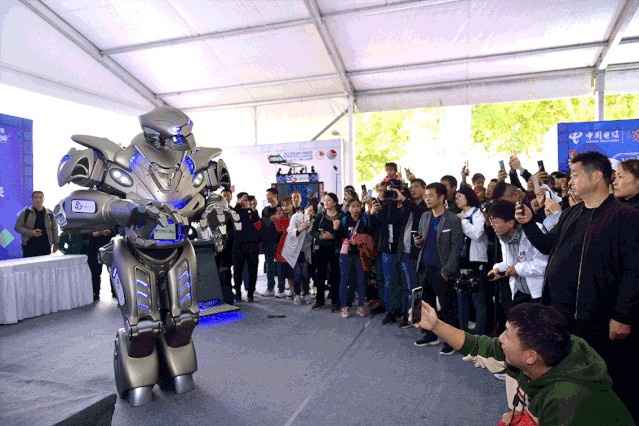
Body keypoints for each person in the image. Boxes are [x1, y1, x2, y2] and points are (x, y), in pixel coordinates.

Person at [515, 151, 639, 420]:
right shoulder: (571, 214)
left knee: (612, 382)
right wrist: (528, 223)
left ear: (596, 177)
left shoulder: (625, 217)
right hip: (563, 317)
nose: (569, 181)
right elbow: (548, 246)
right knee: (571, 383)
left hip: (601, 320)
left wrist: (622, 315)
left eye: (575, 175)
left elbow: (634, 270)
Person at [410, 302, 634, 425]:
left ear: (530, 357)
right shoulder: (550, 349)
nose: (500, 338)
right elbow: (477, 345)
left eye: (507, 334)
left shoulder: (566, 400)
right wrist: (436, 325)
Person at [413, 183, 463, 354]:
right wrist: (417, 242)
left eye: (431, 195)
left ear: (441, 197)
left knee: (448, 307)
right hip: (425, 267)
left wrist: (446, 271)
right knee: (426, 305)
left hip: (442, 270)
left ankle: (452, 341)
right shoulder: (425, 216)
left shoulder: (453, 220)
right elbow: (421, 242)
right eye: (425, 195)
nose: (427, 199)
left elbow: (456, 248)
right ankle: (430, 335)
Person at [487, 201, 547, 307]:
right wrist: (498, 269)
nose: (492, 225)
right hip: (519, 291)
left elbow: (543, 265)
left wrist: (517, 269)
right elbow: (509, 263)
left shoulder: (535, 230)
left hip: (539, 293)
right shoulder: (503, 237)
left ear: (511, 223)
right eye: (491, 221)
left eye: (495, 222)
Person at [454, 186, 489, 336]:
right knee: (462, 300)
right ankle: (462, 334)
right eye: (456, 197)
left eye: (460, 196)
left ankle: (480, 335)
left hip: (476, 261)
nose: (457, 199)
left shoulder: (478, 213)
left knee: (478, 300)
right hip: (460, 261)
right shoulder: (458, 215)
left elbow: (478, 234)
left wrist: (463, 222)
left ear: (468, 196)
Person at [336, 199, 372, 318]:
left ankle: (361, 305)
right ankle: (344, 306)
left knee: (361, 280)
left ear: (361, 207)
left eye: (357, 206)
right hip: (346, 254)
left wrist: (359, 241)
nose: (355, 209)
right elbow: (338, 237)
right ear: (348, 208)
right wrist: (345, 240)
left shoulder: (364, 220)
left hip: (360, 255)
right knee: (344, 279)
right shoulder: (344, 220)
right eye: (353, 206)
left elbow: (369, 237)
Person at [310, 192, 343, 311]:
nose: (326, 202)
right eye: (325, 200)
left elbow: (344, 233)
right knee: (320, 274)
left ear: (334, 202)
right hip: (321, 248)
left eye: (329, 200)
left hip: (335, 248)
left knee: (335, 275)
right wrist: (320, 236)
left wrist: (333, 235)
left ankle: (335, 301)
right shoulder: (320, 215)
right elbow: (313, 231)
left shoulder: (341, 216)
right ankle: (319, 301)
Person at [283, 204, 315, 305]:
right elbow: (290, 231)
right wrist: (300, 228)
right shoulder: (296, 217)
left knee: (305, 274)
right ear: (305, 209)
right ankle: (296, 294)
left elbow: (312, 236)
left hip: (305, 251)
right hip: (295, 250)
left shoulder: (313, 222)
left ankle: (306, 293)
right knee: (296, 273)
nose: (310, 213)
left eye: (312, 211)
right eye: (309, 210)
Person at [233, 193, 260, 302]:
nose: (245, 201)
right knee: (237, 269)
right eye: (243, 199)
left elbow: (257, 224)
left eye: (247, 199)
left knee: (253, 269)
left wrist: (253, 208)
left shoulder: (253, 212)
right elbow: (232, 215)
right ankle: (238, 292)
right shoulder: (236, 211)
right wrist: (239, 204)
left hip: (252, 244)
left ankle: (250, 293)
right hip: (239, 244)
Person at [14, 191, 59, 258]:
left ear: (43, 199)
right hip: (29, 246)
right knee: (29, 265)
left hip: (46, 246)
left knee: (45, 264)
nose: (38, 200)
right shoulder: (26, 212)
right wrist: (32, 232)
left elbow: (54, 229)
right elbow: (17, 227)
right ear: (32, 199)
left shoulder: (49, 213)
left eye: (40, 197)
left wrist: (56, 244)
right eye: (36, 197)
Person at [260, 188, 283, 297]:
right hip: (267, 241)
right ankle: (270, 288)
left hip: (279, 241)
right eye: (266, 195)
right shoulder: (265, 210)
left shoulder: (281, 209)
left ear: (275, 195)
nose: (267, 197)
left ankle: (281, 289)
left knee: (280, 266)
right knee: (269, 266)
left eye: (269, 195)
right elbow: (263, 225)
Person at [274, 196, 295, 298]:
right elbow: (279, 229)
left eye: (287, 205)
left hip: (294, 244)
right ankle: (288, 290)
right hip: (283, 244)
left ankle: (297, 291)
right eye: (283, 206)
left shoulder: (297, 215)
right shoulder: (282, 217)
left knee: (294, 270)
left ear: (292, 205)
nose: (285, 208)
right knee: (284, 269)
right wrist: (277, 220)